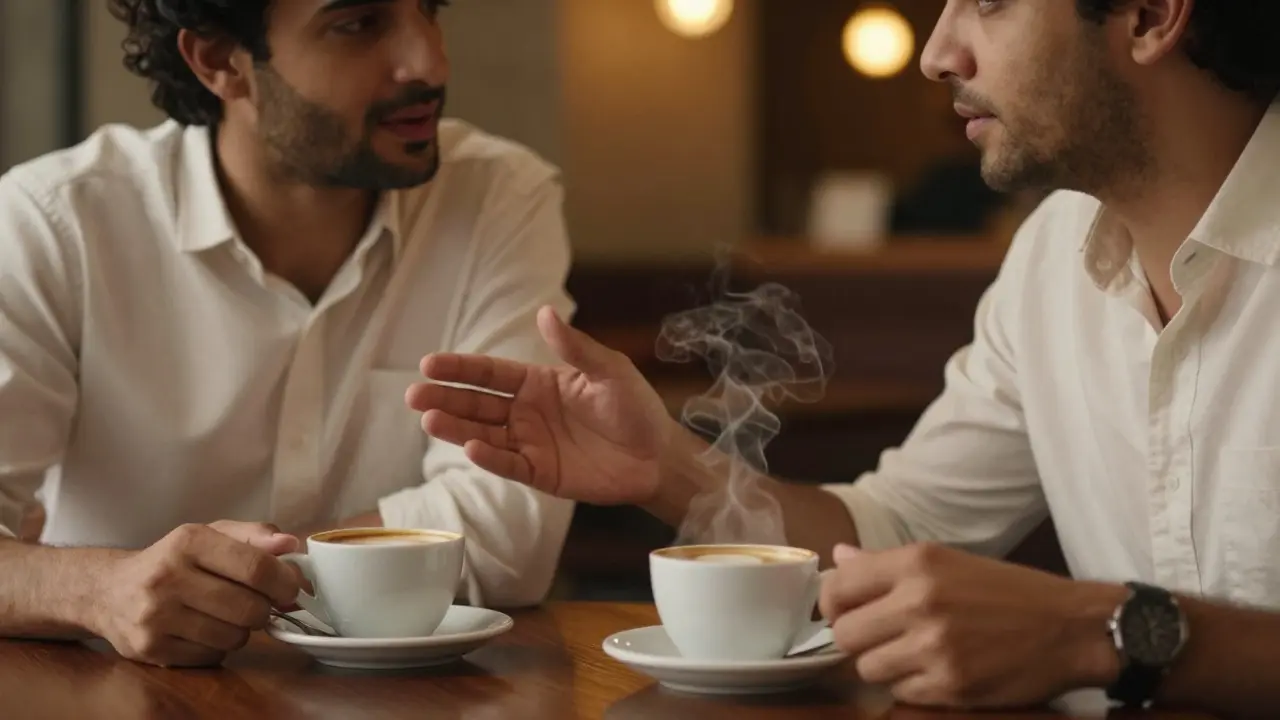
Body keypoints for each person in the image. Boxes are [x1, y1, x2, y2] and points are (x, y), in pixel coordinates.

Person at [406, 0, 1280, 715]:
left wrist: (1105, 632)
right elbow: (892, 535)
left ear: (1151, 15)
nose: (937, 52)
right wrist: (666, 467)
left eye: (987, 4)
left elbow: (1086, 627)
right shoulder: (1051, 258)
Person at [0, 0, 576, 667]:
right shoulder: (55, 223)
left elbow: (512, 534)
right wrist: (101, 590)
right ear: (220, 62)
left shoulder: (499, 198)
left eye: (428, 10)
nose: (428, 61)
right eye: (358, 23)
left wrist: (223, 578)